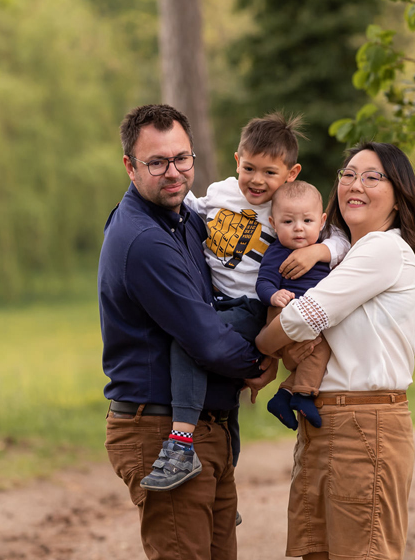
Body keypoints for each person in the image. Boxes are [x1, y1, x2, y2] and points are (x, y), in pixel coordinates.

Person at [99, 104, 284, 560]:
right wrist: (260, 365)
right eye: (157, 162)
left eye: (182, 159)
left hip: (209, 425)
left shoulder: (184, 218)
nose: (173, 172)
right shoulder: (144, 239)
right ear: (130, 166)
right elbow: (205, 339)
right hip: (164, 430)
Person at [139, 112, 349, 491]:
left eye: (270, 172)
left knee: (189, 343)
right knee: (224, 389)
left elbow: (339, 240)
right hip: (213, 300)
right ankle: (222, 483)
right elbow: (189, 210)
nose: (257, 180)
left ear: (291, 173)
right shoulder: (220, 192)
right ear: (237, 160)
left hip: (253, 306)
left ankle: (181, 443)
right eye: (249, 168)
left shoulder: (288, 206)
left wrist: (318, 251)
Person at [256, 142, 415, 560]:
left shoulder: (384, 249)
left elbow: (303, 317)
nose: (355, 184)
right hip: (321, 421)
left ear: (399, 193)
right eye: (348, 174)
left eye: (373, 176)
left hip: (364, 425)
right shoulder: (338, 255)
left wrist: (263, 349)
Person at [255, 181, 334, 430]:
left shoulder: (325, 251)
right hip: (283, 313)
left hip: (310, 321)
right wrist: (273, 295)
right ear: (273, 224)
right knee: (318, 349)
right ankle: (302, 395)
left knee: (317, 350)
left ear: (321, 222)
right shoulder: (277, 252)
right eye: (288, 222)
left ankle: (285, 396)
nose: (298, 229)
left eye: (307, 222)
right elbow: (263, 282)